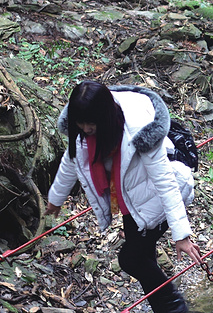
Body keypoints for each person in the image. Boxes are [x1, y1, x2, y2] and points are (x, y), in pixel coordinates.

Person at [45, 81, 201, 313]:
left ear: (104, 116)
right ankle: (164, 308)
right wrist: (56, 198)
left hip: (162, 190)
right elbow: (71, 160)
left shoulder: (139, 129)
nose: (86, 128)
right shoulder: (82, 129)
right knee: (143, 254)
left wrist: (182, 235)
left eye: (91, 123)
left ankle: (174, 307)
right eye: (81, 123)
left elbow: (165, 181)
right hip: (132, 196)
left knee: (131, 259)